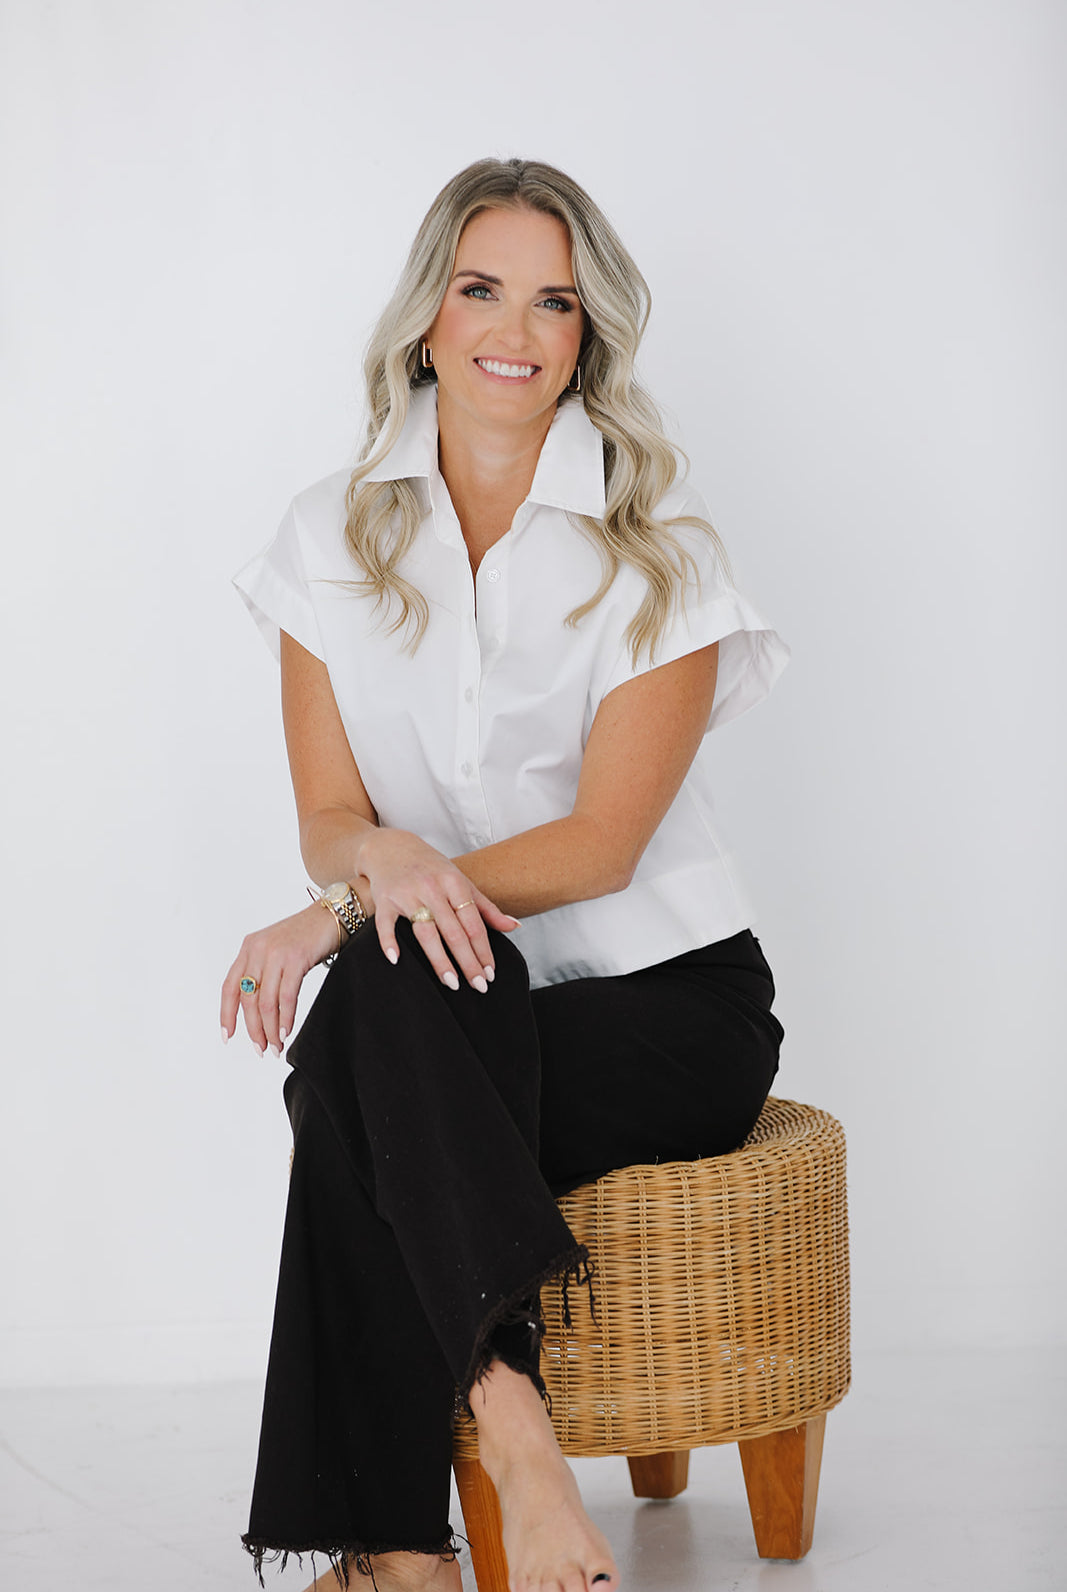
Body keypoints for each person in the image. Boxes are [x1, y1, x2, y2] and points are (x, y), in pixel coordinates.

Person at [221, 156, 788, 1592]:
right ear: (428, 316)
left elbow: (603, 844)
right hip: (452, 995)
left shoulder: (659, 553)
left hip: (668, 1007)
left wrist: (362, 904)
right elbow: (332, 816)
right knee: (391, 1010)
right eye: (482, 289)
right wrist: (374, 870)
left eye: (554, 301)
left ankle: (412, 1531)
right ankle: (507, 1461)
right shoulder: (326, 538)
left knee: (358, 1035)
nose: (515, 331)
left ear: (585, 333)